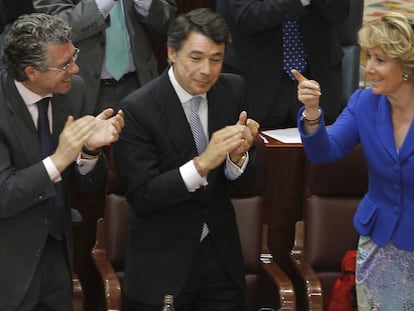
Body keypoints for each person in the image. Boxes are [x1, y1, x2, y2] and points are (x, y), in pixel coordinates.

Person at [114, 8, 260, 311]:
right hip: (162, 265)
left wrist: (237, 158)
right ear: (171, 53)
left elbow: (244, 184)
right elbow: (142, 196)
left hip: (221, 259)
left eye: (216, 59)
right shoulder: (138, 109)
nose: (207, 70)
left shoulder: (233, 90)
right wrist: (202, 163)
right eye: (196, 58)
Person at [0, 13, 124, 311]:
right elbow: (4, 194)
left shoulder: (75, 90)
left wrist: (89, 153)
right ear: (31, 72)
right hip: (8, 259)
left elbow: (89, 184)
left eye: (74, 56)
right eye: (64, 64)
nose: (76, 68)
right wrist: (59, 159)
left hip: (58, 249)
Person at [294, 10, 414, 311]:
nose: (369, 68)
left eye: (380, 60)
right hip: (380, 246)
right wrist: (312, 113)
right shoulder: (364, 103)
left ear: (407, 66)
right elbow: (324, 152)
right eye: (368, 57)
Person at [217, 0, 350, 129]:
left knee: (316, 142)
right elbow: (246, 16)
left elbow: (340, 13)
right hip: (259, 78)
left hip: (315, 74)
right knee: (257, 145)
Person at [33, 0, 177, 114]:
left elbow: (165, 21)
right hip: (84, 87)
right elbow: (53, 28)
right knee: (86, 149)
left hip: (139, 83)